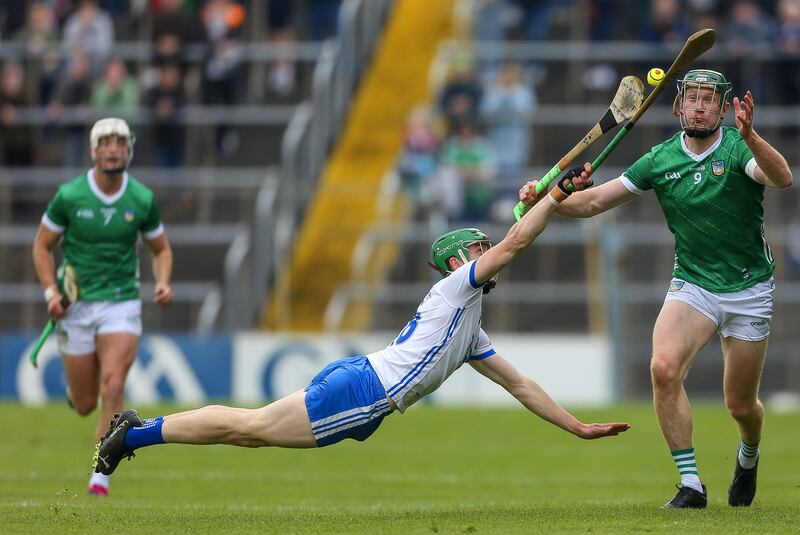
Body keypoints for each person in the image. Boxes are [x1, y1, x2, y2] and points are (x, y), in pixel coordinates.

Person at [91, 174, 629, 483]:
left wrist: (576, 426)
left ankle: (137, 431)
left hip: (360, 382)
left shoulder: (470, 329)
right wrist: (554, 199)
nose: (485, 255)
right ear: (452, 263)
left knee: (248, 432)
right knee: (247, 428)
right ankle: (134, 434)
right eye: (474, 250)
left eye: (483, 250)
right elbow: (515, 244)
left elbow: (521, 385)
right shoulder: (456, 287)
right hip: (364, 391)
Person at [519, 69, 793, 508]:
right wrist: (548, 199)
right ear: (678, 106)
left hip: (748, 288)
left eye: (709, 100)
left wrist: (753, 136)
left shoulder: (740, 147)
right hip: (694, 284)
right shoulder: (659, 160)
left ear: (723, 110)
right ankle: (691, 485)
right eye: (693, 98)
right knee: (663, 369)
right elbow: (592, 201)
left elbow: (781, 178)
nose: (700, 106)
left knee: (741, 406)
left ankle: (748, 455)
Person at [32, 117, 174, 497]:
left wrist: (161, 281)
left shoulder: (141, 198)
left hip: (121, 302)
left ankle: (101, 473)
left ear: (129, 149)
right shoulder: (70, 196)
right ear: (94, 151)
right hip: (76, 306)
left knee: (113, 385)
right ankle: (79, 391)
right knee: (83, 403)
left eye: (120, 142)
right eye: (105, 142)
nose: (113, 148)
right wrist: (51, 293)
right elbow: (41, 246)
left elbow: (161, 249)